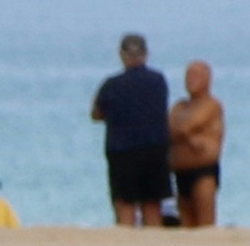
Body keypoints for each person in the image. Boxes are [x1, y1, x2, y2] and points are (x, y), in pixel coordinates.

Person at [91, 34, 175, 230]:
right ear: (145, 54)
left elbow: (96, 113)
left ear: (122, 55)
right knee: (152, 205)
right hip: (154, 149)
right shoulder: (158, 81)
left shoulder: (112, 85)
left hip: (123, 150)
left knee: (125, 206)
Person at [166, 59, 226, 232]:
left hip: (203, 171)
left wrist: (185, 132)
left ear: (208, 79)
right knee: (186, 226)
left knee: (205, 226)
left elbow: (187, 125)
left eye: (196, 76)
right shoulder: (180, 105)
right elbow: (169, 128)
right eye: (188, 76)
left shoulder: (211, 105)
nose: (190, 80)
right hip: (180, 170)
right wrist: (189, 137)